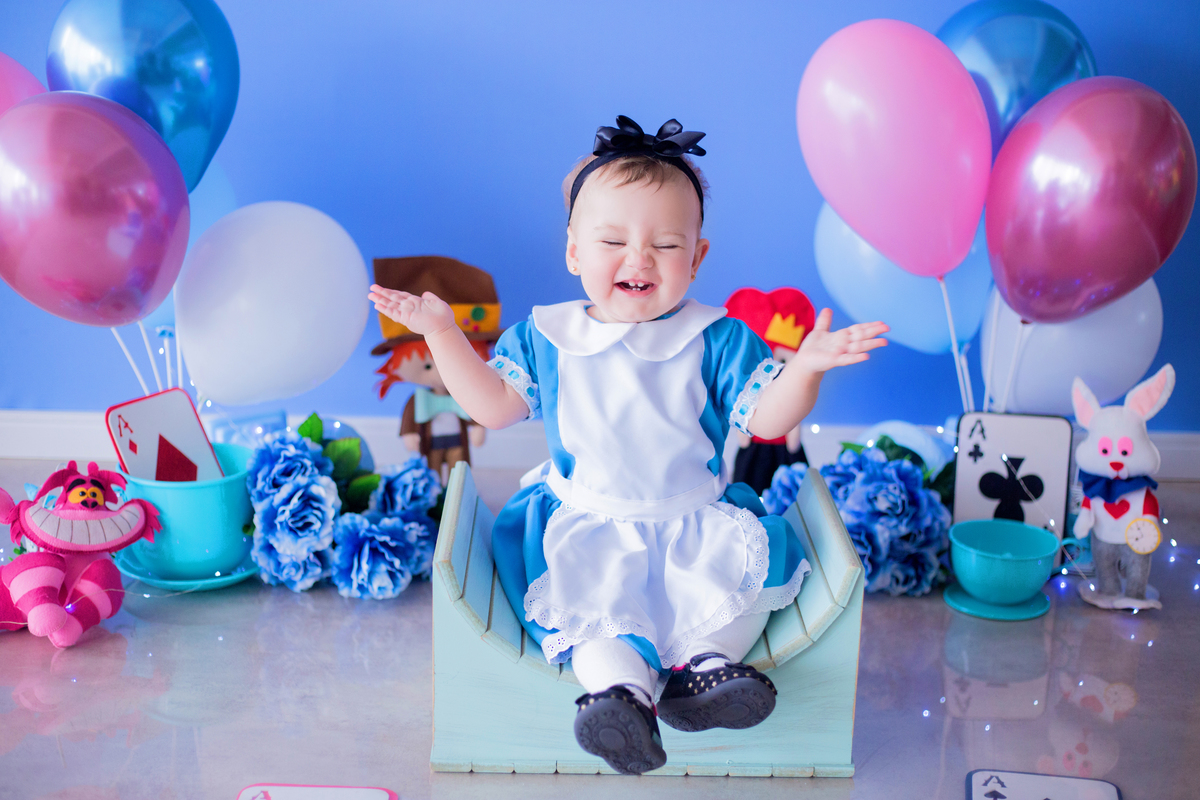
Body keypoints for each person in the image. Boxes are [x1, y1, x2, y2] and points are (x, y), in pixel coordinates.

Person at [369, 116, 888, 774]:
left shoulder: (717, 339)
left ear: (697, 258)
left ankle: (707, 671)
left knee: (728, 591)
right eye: (613, 239)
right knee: (595, 617)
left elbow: (766, 417)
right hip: (587, 523)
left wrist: (805, 368)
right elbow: (493, 408)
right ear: (574, 253)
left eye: (666, 244)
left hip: (692, 517)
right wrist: (444, 336)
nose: (638, 258)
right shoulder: (548, 337)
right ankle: (620, 698)